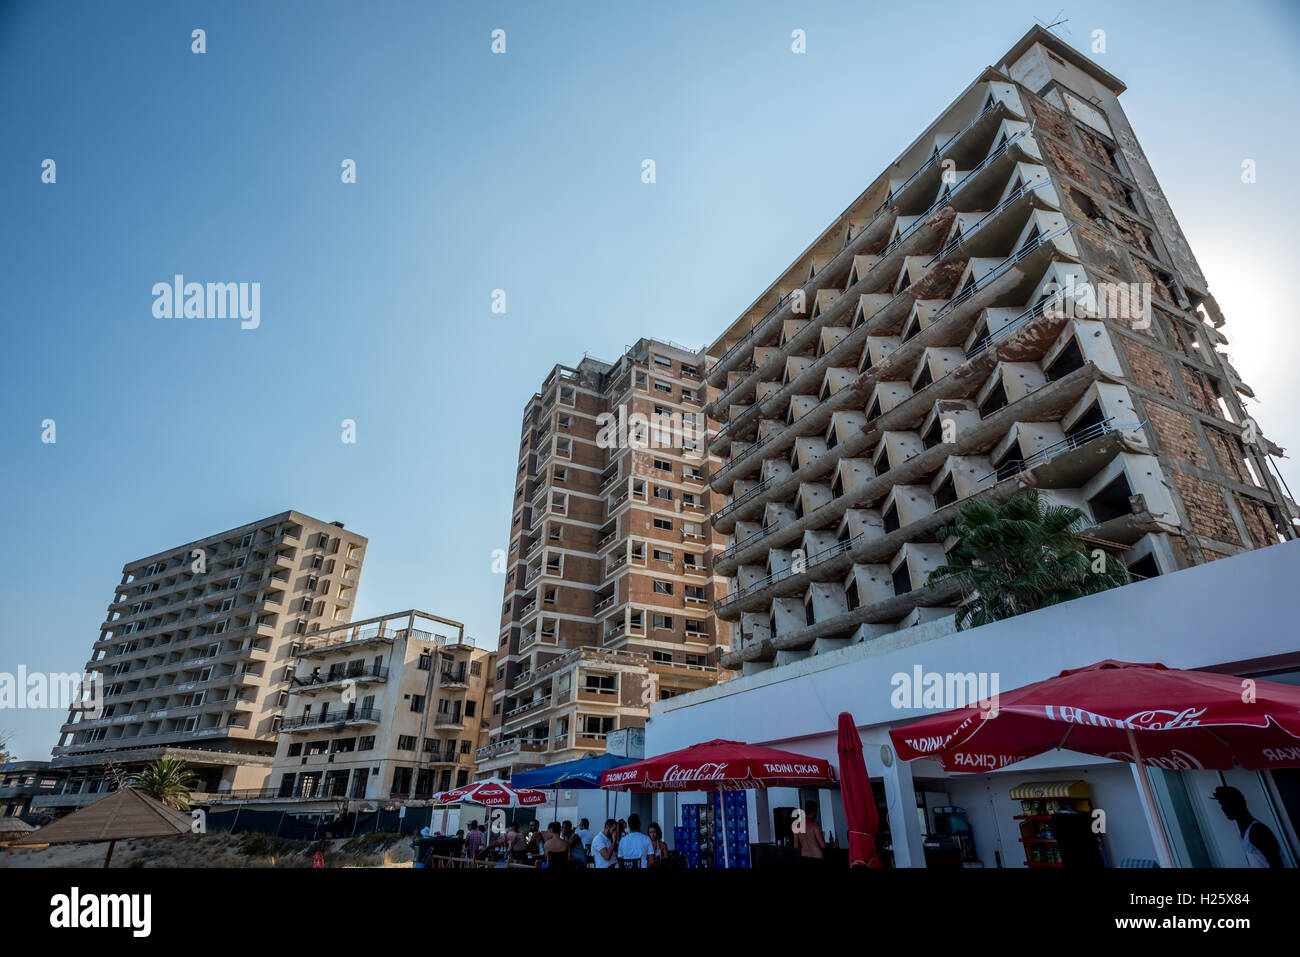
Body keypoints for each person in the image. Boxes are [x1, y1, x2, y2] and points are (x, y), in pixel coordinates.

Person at [1212, 785, 1284, 868]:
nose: (1223, 808)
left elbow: (1277, 864)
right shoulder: (1246, 831)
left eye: (1227, 803)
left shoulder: (1257, 831)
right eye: (1221, 804)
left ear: (1240, 803)